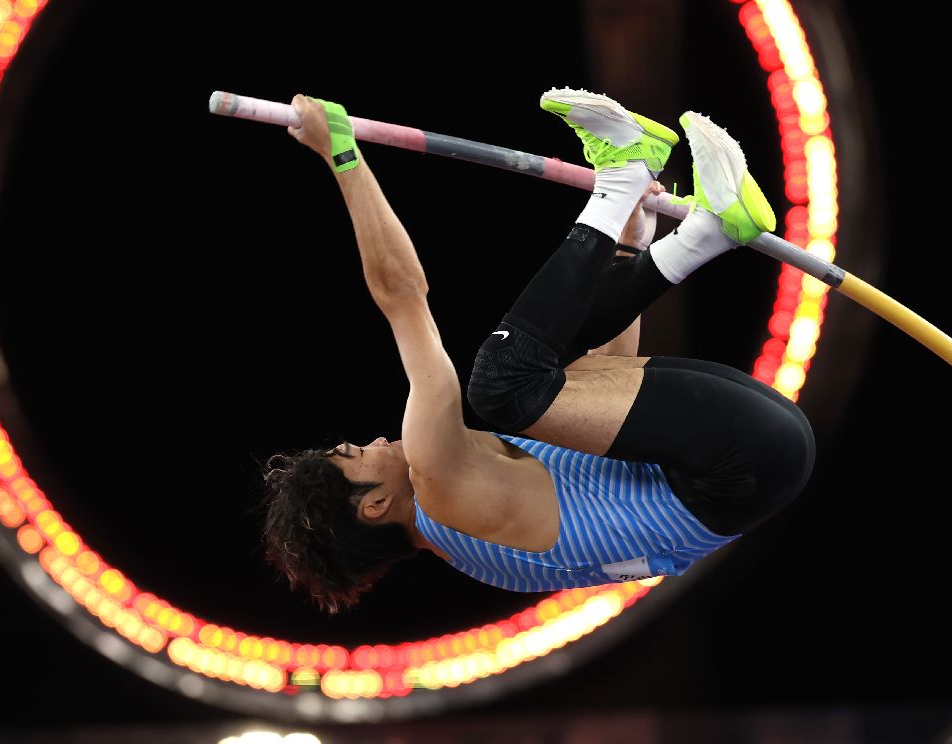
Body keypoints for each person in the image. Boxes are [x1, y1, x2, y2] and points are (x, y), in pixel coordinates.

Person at [260, 88, 815, 613]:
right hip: (735, 463)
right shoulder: (439, 485)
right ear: (375, 505)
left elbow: (609, 379)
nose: (376, 440)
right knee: (501, 386)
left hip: (756, 460)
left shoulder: (484, 546)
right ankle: (623, 176)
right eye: (356, 453)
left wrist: (630, 245)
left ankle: (706, 235)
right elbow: (402, 296)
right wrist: (342, 155)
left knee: (549, 380)